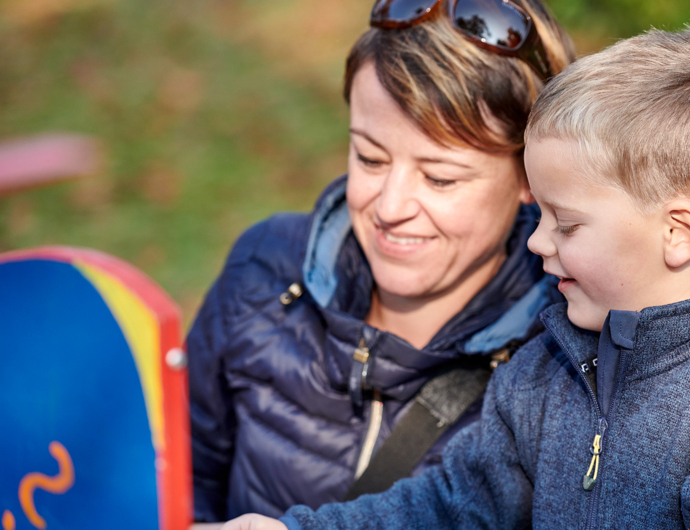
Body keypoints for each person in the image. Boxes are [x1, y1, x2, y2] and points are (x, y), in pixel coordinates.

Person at [222, 26, 690, 530]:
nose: (536, 241)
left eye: (566, 225)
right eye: (539, 213)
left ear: (677, 233)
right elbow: (451, 504)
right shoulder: (549, 365)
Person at [187, 0, 575, 522]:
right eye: (369, 158)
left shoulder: (569, 360)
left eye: (440, 178)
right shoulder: (264, 269)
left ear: (533, 175)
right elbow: (179, 483)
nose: (390, 208)